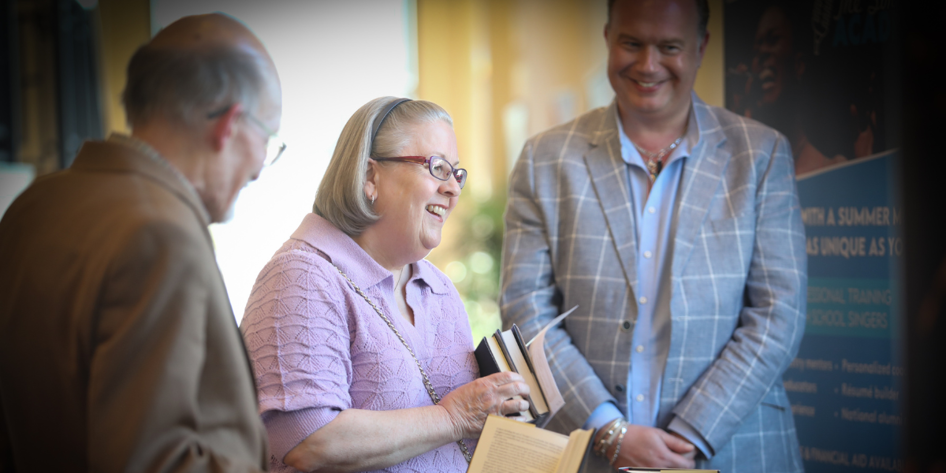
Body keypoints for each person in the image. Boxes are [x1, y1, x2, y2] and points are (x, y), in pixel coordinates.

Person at [500, 0, 807, 471]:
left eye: (669, 46)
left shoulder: (760, 154)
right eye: (632, 43)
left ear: (701, 47)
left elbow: (777, 315)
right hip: (587, 453)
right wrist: (609, 430)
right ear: (607, 37)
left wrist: (689, 435)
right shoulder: (546, 159)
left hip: (735, 448)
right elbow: (526, 312)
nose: (647, 64)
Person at [0, 13, 282, 471]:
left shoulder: (32, 206)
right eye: (268, 136)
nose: (259, 166)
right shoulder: (162, 236)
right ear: (229, 124)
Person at [240, 97, 530, 472]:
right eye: (437, 167)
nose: (453, 190)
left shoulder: (438, 289)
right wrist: (454, 417)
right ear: (369, 176)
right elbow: (307, 441)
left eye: (456, 173)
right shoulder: (301, 276)